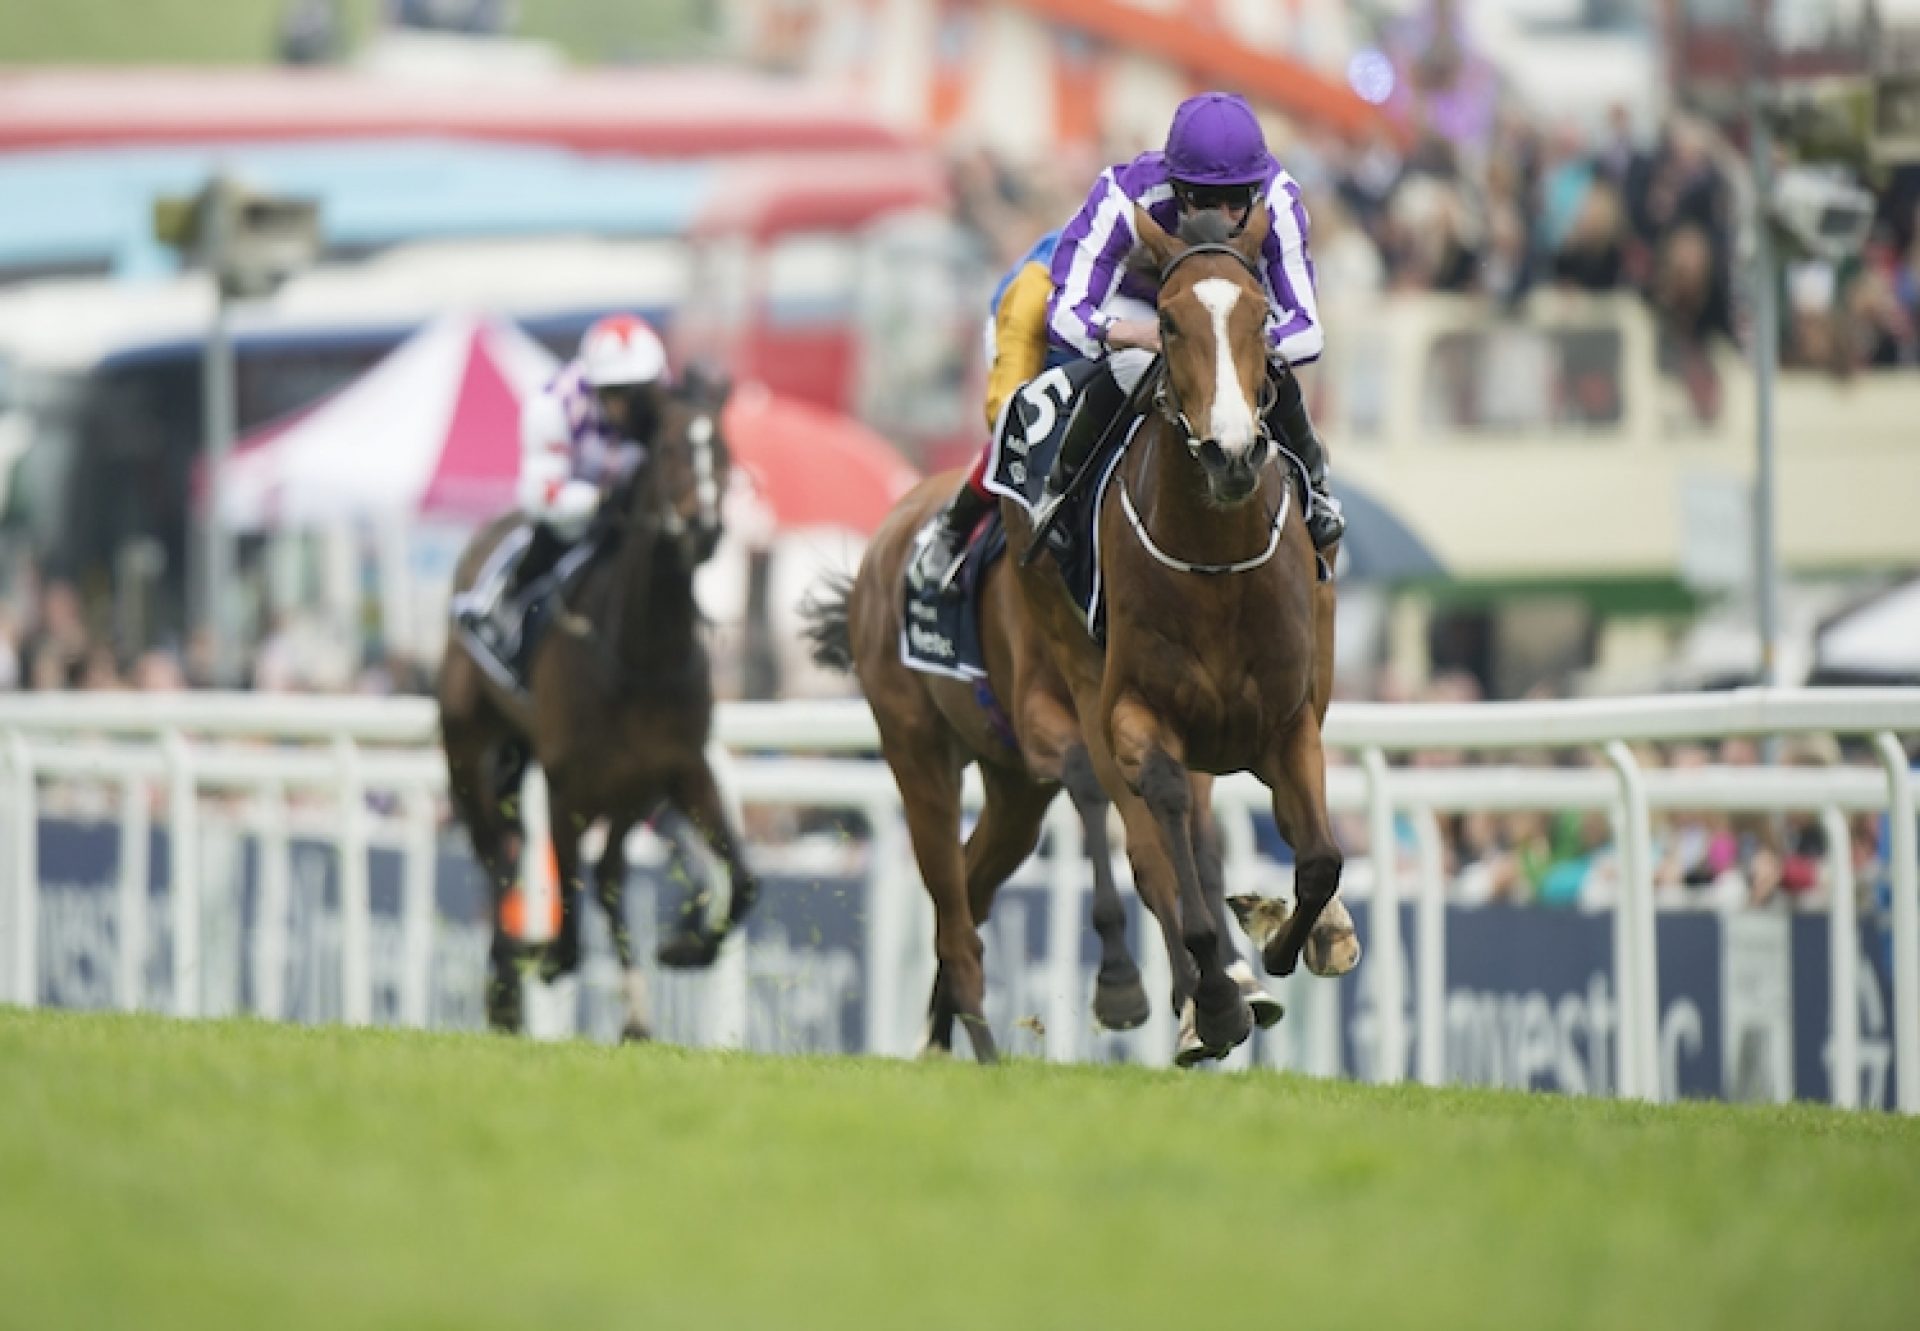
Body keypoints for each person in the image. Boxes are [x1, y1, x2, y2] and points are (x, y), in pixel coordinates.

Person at [1033, 91, 1346, 551]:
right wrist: (1132, 335)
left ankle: (1316, 491)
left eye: (1236, 200)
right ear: (1176, 186)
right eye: (1203, 199)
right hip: (1146, 309)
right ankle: (1061, 492)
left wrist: (1237, 342)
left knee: (1268, 369)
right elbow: (1064, 313)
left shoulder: (1278, 200)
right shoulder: (1125, 196)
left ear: (1255, 189)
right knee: (1129, 367)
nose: (1221, 218)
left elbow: (1306, 329)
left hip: (1233, 319)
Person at [454, 313, 668, 662]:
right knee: (550, 541)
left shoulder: (666, 408)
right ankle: (504, 610)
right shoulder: (553, 407)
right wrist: (600, 500)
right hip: (575, 521)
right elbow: (540, 497)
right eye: (615, 391)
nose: (626, 405)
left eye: (637, 391)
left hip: (636, 520)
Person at [909, 228, 1061, 592]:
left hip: (1119, 316)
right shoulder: (1034, 287)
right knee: (1027, 421)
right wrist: (1011, 420)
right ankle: (950, 532)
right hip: (1027, 316)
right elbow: (1006, 411)